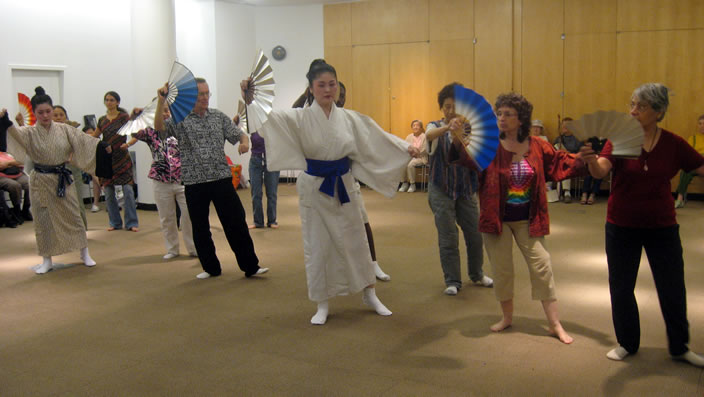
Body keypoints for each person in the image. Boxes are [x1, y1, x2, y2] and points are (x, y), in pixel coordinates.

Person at [247, 59, 418, 324]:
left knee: (357, 240)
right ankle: (322, 303)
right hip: (314, 188)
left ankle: (369, 293)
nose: (328, 90)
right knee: (318, 246)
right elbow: (268, 119)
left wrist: (404, 147)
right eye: (321, 85)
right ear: (311, 88)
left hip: (344, 184)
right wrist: (250, 99)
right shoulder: (300, 118)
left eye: (332, 84)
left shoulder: (349, 119)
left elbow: (375, 137)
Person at [579, 83, 704, 366]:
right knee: (621, 287)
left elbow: (699, 166)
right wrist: (590, 162)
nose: (633, 111)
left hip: (662, 226)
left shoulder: (673, 143)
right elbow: (601, 170)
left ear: (658, 112)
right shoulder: (620, 139)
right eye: (632, 104)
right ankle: (627, 343)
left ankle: (680, 347)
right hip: (622, 225)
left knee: (672, 287)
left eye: (641, 106)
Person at [453, 92, 582, 344]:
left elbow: (560, 162)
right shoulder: (489, 145)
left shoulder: (537, 145)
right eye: (498, 113)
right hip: (496, 219)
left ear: (521, 118)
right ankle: (507, 317)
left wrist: (586, 160)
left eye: (507, 114)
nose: (501, 118)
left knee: (542, 267)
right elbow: (465, 159)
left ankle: (555, 324)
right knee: (502, 271)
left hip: (529, 218)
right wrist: (456, 138)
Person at [154, 77, 268, 280]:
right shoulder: (180, 120)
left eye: (207, 93)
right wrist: (161, 101)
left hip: (221, 178)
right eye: (200, 94)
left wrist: (244, 143)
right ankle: (210, 267)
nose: (205, 98)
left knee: (235, 222)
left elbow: (239, 134)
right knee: (200, 227)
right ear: (191, 97)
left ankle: (251, 265)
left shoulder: (218, 117)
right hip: (194, 182)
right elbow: (160, 130)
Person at [0, 86, 112, 274]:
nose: (45, 115)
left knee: (74, 216)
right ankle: (47, 259)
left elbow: (84, 140)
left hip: (62, 178)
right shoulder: (29, 132)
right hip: (41, 181)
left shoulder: (65, 129)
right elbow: (15, 136)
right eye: (40, 112)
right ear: (35, 113)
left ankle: (84, 253)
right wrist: (6, 122)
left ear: (52, 110)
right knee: (44, 220)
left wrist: (101, 145)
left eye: (48, 111)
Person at [426, 82, 493, 296]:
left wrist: (464, 133)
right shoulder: (434, 126)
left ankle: (477, 273)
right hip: (441, 188)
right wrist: (447, 128)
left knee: (474, 234)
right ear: (441, 108)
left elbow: (480, 155)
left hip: (466, 189)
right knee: (448, 237)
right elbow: (428, 136)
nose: (450, 110)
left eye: (455, 106)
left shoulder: (472, 128)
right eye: (446, 106)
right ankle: (453, 280)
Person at [123, 105, 196, 260]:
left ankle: (193, 248)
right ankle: (172, 249)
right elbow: (134, 132)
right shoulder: (151, 132)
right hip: (160, 179)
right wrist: (133, 117)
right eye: (161, 111)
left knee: (189, 215)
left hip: (183, 178)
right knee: (166, 216)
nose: (165, 114)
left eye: (167, 111)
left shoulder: (180, 129)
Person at [90, 91, 138, 231]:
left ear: (117, 102)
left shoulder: (124, 117)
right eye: (107, 100)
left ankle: (131, 223)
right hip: (107, 159)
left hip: (122, 157)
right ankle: (115, 223)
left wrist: (128, 144)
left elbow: (136, 135)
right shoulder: (102, 120)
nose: (109, 102)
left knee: (128, 190)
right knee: (109, 191)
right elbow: (94, 137)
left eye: (112, 100)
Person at [51, 105, 87, 228]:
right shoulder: (47, 133)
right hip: (54, 169)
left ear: (66, 116)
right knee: (58, 201)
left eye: (61, 115)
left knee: (76, 200)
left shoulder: (72, 130)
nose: (58, 118)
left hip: (71, 168)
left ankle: (82, 228)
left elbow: (79, 147)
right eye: (55, 115)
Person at [247, 126, 280, 229]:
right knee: (256, 192)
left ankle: (272, 221)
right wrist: (235, 121)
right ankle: (258, 222)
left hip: (272, 159)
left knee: (272, 192)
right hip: (255, 160)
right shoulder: (252, 124)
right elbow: (237, 130)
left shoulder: (273, 122)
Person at [674, 114, 704, 208]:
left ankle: (680, 197)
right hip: (696, 166)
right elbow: (689, 154)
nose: (702, 126)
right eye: (700, 123)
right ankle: (680, 199)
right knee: (686, 169)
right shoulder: (693, 138)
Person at [553, 117, 582, 203]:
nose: (564, 127)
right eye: (563, 125)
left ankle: (566, 192)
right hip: (560, 161)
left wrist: (571, 154)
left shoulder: (577, 139)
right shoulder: (558, 139)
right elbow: (553, 151)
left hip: (573, 160)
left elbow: (580, 153)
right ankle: (561, 192)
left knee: (567, 165)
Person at [0, 149, 31, 223]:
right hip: (2, 177)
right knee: (14, 186)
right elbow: (1, 166)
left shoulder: (6, 154)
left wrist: (7, 163)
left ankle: (26, 210)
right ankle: (16, 211)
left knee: (29, 183)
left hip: (17, 174)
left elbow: (21, 162)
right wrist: (12, 163)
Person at [398, 120, 428, 193]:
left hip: (421, 157)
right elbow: (406, 147)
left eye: (417, 125)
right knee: (401, 163)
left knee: (410, 165)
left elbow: (425, 149)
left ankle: (412, 184)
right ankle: (404, 183)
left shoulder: (425, 137)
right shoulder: (409, 137)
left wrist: (415, 154)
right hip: (410, 157)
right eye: (414, 125)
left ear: (421, 127)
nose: (415, 127)